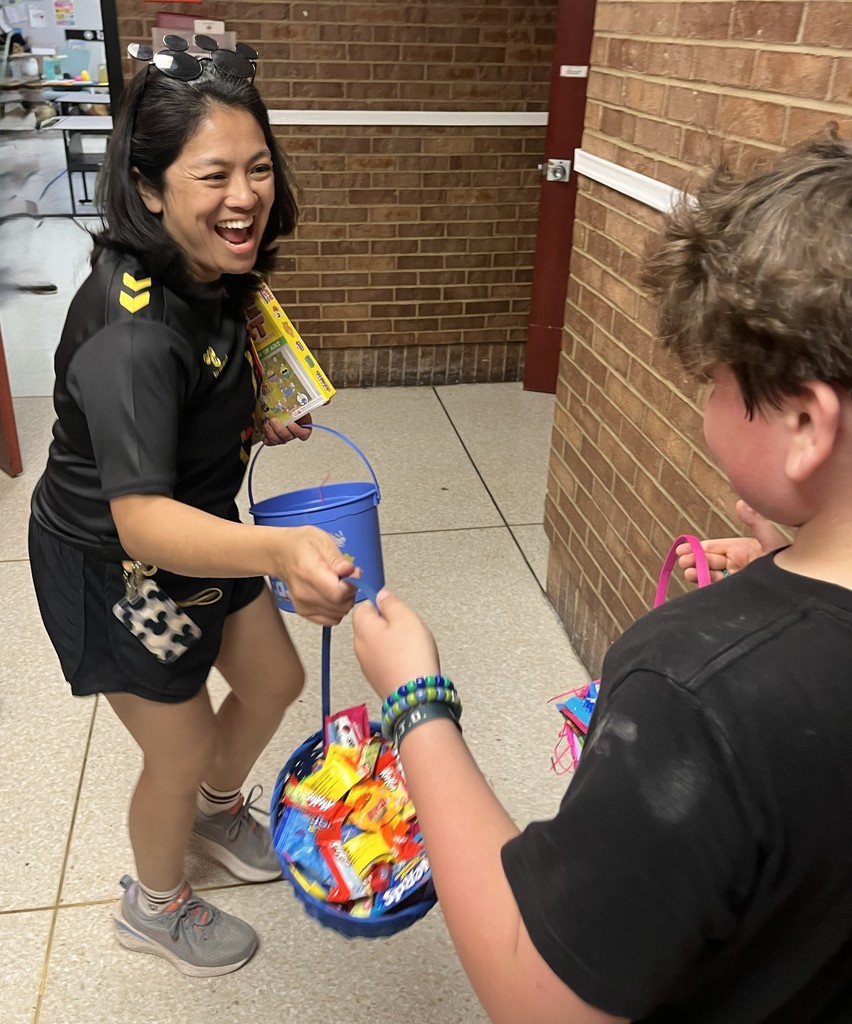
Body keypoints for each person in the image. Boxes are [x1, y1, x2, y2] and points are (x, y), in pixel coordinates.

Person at [352, 133, 852, 1023]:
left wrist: (414, 701)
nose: (705, 401)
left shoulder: (695, 697)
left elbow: (534, 991)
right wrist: (799, 553)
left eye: (716, 380)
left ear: (807, 422)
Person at [28, 40, 356, 977]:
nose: (244, 196)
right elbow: (139, 519)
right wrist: (281, 548)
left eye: (258, 168)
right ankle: (154, 903)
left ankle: (216, 816)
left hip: (203, 530)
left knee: (276, 683)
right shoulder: (131, 333)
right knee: (181, 745)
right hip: (119, 568)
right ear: (150, 186)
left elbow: (190, 408)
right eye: (212, 174)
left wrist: (247, 423)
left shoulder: (212, 272)